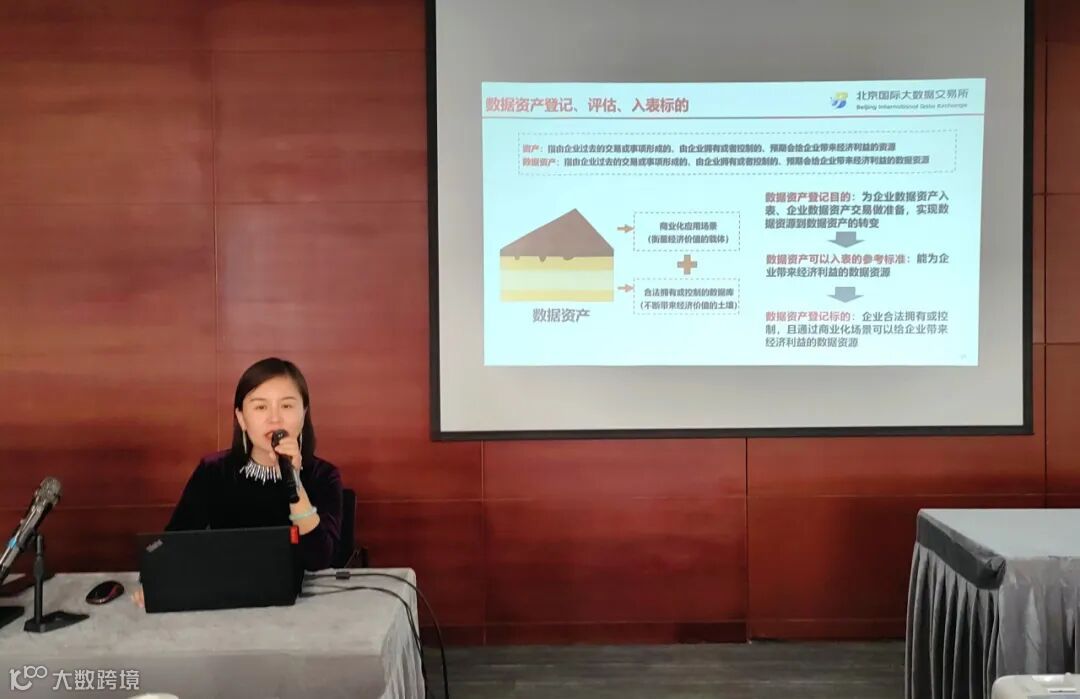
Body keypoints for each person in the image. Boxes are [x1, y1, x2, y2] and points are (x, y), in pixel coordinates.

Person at [133, 357, 343, 606]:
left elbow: (320, 560)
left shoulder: (323, 475)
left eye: (287, 406)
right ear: (242, 418)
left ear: (303, 414)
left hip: (301, 607)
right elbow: (173, 543)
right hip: (225, 602)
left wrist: (294, 480)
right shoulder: (213, 471)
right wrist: (157, 581)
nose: (274, 419)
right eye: (260, 407)